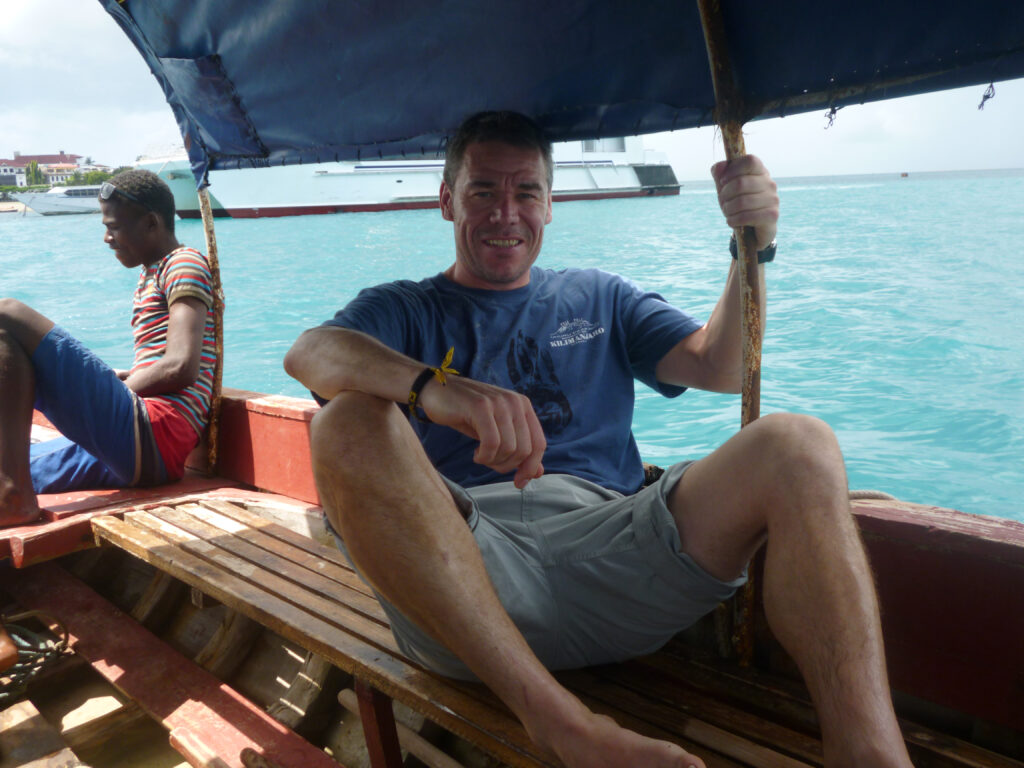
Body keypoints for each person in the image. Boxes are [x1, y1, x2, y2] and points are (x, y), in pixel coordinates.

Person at [284, 112, 914, 768]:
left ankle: (869, 751)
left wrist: (749, 248)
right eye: (482, 192)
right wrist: (433, 389)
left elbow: (722, 366)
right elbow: (309, 353)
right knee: (345, 422)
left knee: (797, 443)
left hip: (621, 549)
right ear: (447, 201)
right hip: (465, 586)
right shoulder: (407, 309)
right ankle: (558, 723)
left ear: (551, 205)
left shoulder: (600, 296)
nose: (506, 212)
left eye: (527, 192)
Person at [0, 169, 216, 527]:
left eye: (113, 227)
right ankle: (13, 487)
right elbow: (164, 361)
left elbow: (181, 366)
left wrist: (112, 391)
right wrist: (123, 379)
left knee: (6, 315)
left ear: (150, 223)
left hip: (155, 436)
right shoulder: (153, 272)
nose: (107, 238)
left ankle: (14, 499)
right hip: (140, 451)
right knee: (27, 464)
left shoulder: (184, 263)